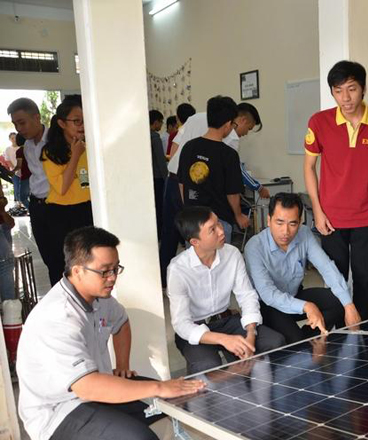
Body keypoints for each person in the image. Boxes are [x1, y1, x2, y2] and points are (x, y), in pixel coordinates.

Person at [16, 226, 205, 440]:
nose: (113, 277)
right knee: (139, 436)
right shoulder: (58, 317)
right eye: (104, 270)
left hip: (94, 390)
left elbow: (121, 322)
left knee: (172, 405)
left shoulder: (99, 299)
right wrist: (159, 387)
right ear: (77, 270)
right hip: (58, 410)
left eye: (116, 269)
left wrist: (123, 365)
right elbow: (87, 387)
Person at [303, 60, 368, 320]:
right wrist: (317, 212)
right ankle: (335, 333)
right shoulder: (319, 122)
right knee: (336, 279)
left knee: (364, 279)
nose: (345, 97)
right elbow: (309, 167)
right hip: (331, 218)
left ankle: (364, 333)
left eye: (352, 89)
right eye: (338, 90)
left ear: (363, 89)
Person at [168, 206, 284, 374]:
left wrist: (250, 333)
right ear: (195, 241)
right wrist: (224, 340)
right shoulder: (178, 269)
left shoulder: (232, 254)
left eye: (219, 224)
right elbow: (181, 324)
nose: (221, 231)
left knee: (275, 341)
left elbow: (247, 295)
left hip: (228, 321)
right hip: (196, 327)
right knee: (207, 366)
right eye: (212, 230)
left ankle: (252, 386)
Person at [245, 193, 361, 344]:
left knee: (340, 302)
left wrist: (349, 305)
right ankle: (301, 344)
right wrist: (306, 306)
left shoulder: (304, 234)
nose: (285, 231)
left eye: (292, 224)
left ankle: (308, 341)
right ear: (268, 220)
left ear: (300, 222)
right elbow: (268, 294)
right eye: (279, 223)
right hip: (268, 306)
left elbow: (326, 267)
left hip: (294, 295)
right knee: (294, 340)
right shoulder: (254, 246)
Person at [177, 96, 248, 240]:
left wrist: (189, 209)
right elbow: (232, 193)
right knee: (219, 261)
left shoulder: (188, 147)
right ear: (228, 124)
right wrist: (239, 215)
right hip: (218, 222)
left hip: (194, 222)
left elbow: (182, 183)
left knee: (196, 261)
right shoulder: (228, 154)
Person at [41, 94, 94, 283]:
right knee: (65, 266)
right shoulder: (50, 152)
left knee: (88, 264)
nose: (81, 126)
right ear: (62, 124)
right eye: (76, 121)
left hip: (86, 210)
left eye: (84, 121)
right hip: (61, 215)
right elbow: (62, 187)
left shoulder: (89, 147)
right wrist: (75, 155)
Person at [7, 98, 55, 284]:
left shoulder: (55, 140)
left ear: (36, 117)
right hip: (37, 206)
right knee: (48, 258)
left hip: (56, 205)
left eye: (22, 122)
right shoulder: (27, 146)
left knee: (63, 258)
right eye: (15, 124)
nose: (19, 129)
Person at [159, 103, 196, 286]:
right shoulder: (189, 129)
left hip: (173, 181)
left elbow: (172, 159)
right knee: (187, 230)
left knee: (170, 232)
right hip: (179, 183)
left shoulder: (182, 130)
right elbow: (175, 161)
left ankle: (164, 279)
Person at [222, 103, 270, 199]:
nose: (247, 133)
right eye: (248, 128)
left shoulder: (222, 129)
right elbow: (238, 169)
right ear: (243, 120)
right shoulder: (232, 138)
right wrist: (259, 188)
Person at [149, 110, 168, 241]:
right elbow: (161, 160)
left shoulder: (144, 135)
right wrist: (166, 176)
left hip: (149, 177)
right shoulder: (155, 137)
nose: (161, 125)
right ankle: (161, 234)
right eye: (161, 122)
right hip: (158, 177)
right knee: (161, 207)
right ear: (155, 122)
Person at [5, 132, 21, 206]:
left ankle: (23, 202)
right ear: (9, 139)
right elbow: (7, 160)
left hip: (23, 171)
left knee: (23, 188)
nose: (14, 139)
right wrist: (14, 169)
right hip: (13, 171)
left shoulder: (21, 147)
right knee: (16, 187)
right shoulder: (8, 149)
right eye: (12, 138)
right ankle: (18, 203)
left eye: (15, 137)